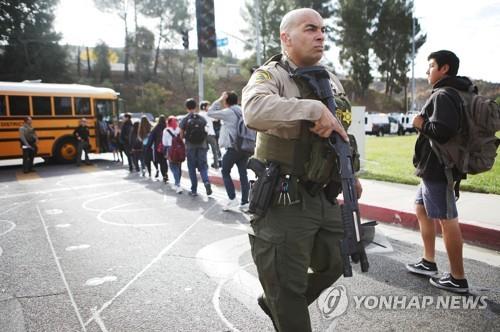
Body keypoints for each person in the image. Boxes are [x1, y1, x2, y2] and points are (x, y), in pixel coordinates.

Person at [242, 8, 362, 331]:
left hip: (323, 195)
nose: (320, 35)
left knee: (338, 259)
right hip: (285, 201)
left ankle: (278, 300)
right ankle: (285, 301)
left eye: (323, 29)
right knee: (290, 294)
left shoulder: (331, 80)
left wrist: (351, 172)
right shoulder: (273, 75)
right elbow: (253, 110)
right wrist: (311, 109)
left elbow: (344, 130)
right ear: (286, 37)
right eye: (310, 29)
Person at [405, 50, 471, 294]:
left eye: (431, 65)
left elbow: (442, 131)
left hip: (439, 167)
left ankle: (458, 277)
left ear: (444, 68)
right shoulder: (449, 93)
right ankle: (428, 261)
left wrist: (419, 123)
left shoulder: (444, 94)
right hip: (431, 166)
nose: (427, 70)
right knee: (421, 208)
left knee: (446, 218)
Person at [208, 91, 250, 211]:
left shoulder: (228, 112)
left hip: (233, 148)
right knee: (243, 175)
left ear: (226, 101)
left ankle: (232, 199)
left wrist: (220, 99)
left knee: (225, 171)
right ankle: (245, 202)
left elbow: (210, 113)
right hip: (245, 147)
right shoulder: (242, 110)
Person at [179, 98, 212, 197]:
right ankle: (206, 182)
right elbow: (206, 131)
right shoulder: (201, 118)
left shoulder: (185, 119)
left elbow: (181, 134)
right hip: (202, 145)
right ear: (196, 107)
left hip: (190, 146)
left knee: (192, 167)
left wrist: (184, 141)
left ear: (187, 108)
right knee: (203, 166)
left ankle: (194, 190)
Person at [162, 116, 183, 194]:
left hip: (170, 150)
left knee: (172, 167)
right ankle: (177, 183)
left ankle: (178, 184)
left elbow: (164, 143)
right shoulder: (179, 129)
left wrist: (164, 152)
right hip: (179, 150)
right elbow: (182, 139)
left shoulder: (166, 130)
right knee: (178, 167)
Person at [146, 115, 169, 183]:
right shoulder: (167, 127)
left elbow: (151, 139)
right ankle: (165, 174)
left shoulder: (155, 128)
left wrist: (148, 147)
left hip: (158, 148)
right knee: (164, 161)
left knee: (161, 161)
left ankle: (164, 175)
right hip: (166, 147)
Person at [200, 100, 221, 169]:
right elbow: (216, 119)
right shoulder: (209, 114)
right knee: (215, 151)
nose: (209, 107)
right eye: (208, 106)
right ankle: (216, 165)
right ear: (204, 107)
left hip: (203, 135)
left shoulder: (199, 115)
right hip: (211, 134)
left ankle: (205, 165)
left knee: (204, 151)